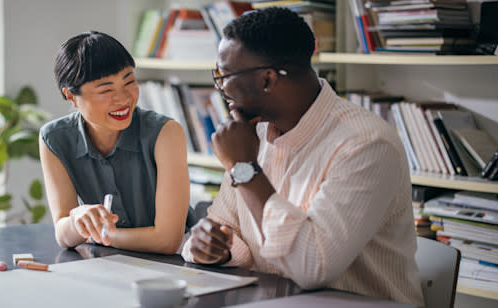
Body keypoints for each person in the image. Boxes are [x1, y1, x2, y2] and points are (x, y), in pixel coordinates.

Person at [180, 7, 424, 306]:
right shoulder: (252, 134)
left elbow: (312, 266)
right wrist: (217, 247)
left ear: (267, 80)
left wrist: (244, 168)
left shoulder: (365, 144)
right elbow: (230, 231)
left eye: (224, 75)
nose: (221, 89)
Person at [40, 31, 190, 254]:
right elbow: (63, 234)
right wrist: (76, 219)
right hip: (106, 263)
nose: (123, 98)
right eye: (106, 90)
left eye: (129, 82)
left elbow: (167, 241)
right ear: (71, 96)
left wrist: (96, 235)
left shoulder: (166, 133)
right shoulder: (54, 138)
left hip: (176, 263)